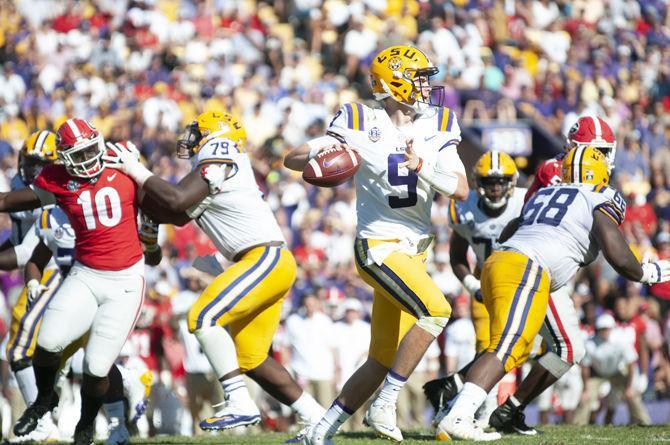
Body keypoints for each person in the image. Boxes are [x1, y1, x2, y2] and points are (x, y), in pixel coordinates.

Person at [284, 44, 469, 444]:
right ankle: (385, 403)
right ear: (396, 83)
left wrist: (424, 167)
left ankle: (319, 433)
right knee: (437, 311)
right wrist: (320, 155)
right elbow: (293, 159)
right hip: (379, 245)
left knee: (382, 357)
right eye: (419, 77)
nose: (426, 85)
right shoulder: (357, 119)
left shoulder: (439, 121)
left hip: (415, 251)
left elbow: (461, 188)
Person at [105, 110, 325, 432]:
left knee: (203, 317)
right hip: (267, 261)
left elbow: (176, 200)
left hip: (263, 257)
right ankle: (316, 418)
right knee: (251, 358)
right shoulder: (215, 176)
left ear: (215, 135)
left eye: (197, 133)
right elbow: (174, 213)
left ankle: (238, 400)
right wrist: (145, 212)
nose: (191, 140)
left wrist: (137, 170)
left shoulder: (221, 154)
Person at [437, 146, 670, 441]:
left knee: (521, 346)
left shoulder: (545, 193)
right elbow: (617, 252)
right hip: (526, 267)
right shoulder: (597, 196)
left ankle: (477, 410)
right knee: (507, 346)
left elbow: (511, 228)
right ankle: (457, 414)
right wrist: (648, 273)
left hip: (503, 261)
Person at [0, 119, 152, 445]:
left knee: (96, 368)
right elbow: (11, 201)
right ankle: (43, 400)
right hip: (85, 273)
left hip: (125, 280)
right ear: (64, 157)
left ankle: (85, 424)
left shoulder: (122, 163)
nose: (87, 160)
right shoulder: (55, 178)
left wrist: (140, 173)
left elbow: (162, 205)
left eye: (90, 151)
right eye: (78, 154)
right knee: (47, 342)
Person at [422, 150, 525, 428]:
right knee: (488, 348)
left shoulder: (525, 203)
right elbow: (457, 257)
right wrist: (473, 285)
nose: (495, 188)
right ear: (477, 182)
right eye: (489, 182)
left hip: (521, 281)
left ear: (511, 182)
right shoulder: (464, 209)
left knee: (524, 346)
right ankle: (481, 411)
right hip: (486, 281)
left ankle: (453, 392)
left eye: (501, 181)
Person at [573, 313, 650, 425]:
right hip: (598, 374)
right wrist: (586, 389)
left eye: (607, 329)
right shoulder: (590, 343)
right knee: (586, 397)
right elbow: (585, 367)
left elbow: (631, 364)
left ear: (612, 328)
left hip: (617, 372)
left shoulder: (622, 341)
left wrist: (628, 387)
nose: (604, 332)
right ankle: (578, 424)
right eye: (601, 329)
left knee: (632, 394)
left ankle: (643, 422)